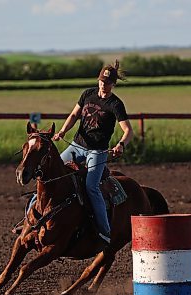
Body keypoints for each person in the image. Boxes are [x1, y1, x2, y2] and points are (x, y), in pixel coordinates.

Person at [52, 60, 133, 244]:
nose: (103, 85)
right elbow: (74, 115)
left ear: (114, 84)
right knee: (53, 173)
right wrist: (63, 131)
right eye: (101, 81)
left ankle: (105, 232)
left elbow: (128, 130)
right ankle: (32, 216)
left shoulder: (115, 104)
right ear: (98, 81)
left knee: (91, 186)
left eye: (108, 83)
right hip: (76, 146)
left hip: (97, 152)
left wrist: (121, 144)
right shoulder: (87, 94)